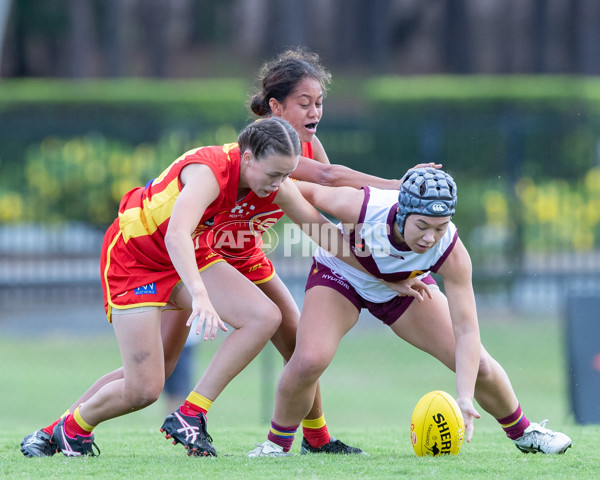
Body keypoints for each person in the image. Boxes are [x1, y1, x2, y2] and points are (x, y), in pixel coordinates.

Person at [21, 48, 424, 459]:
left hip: (218, 253)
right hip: (148, 255)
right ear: (274, 109)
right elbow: (181, 233)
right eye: (305, 103)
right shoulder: (226, 163)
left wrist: (387, 273)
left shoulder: (283, 164)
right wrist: (200, 295)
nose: (314, 111)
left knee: (291, 336)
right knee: (146, 380)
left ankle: (295, 434)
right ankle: (66, 429)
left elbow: (324, 211)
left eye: (319, 103)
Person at [248, 167, 573, 457]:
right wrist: (248, 193)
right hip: (341, 275)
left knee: (479, 366)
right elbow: (297, 190)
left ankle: (525, 433)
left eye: (440, 226)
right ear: (401, 211)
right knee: (309, 360)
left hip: (407, 288)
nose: (430, 237)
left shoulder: (452, 252)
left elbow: (467, 332)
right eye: (422, 226)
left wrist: (463, 397)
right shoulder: (361, 206)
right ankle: (276, 445)